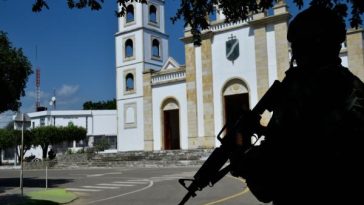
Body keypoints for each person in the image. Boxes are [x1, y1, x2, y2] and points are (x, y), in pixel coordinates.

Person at [230, 5, 364, 205]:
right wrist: (263, 130)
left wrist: (239, 152)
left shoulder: (301, 92)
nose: (294, 56)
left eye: (297, 47)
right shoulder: (353, 87)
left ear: (312, 45)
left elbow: (270, 182)